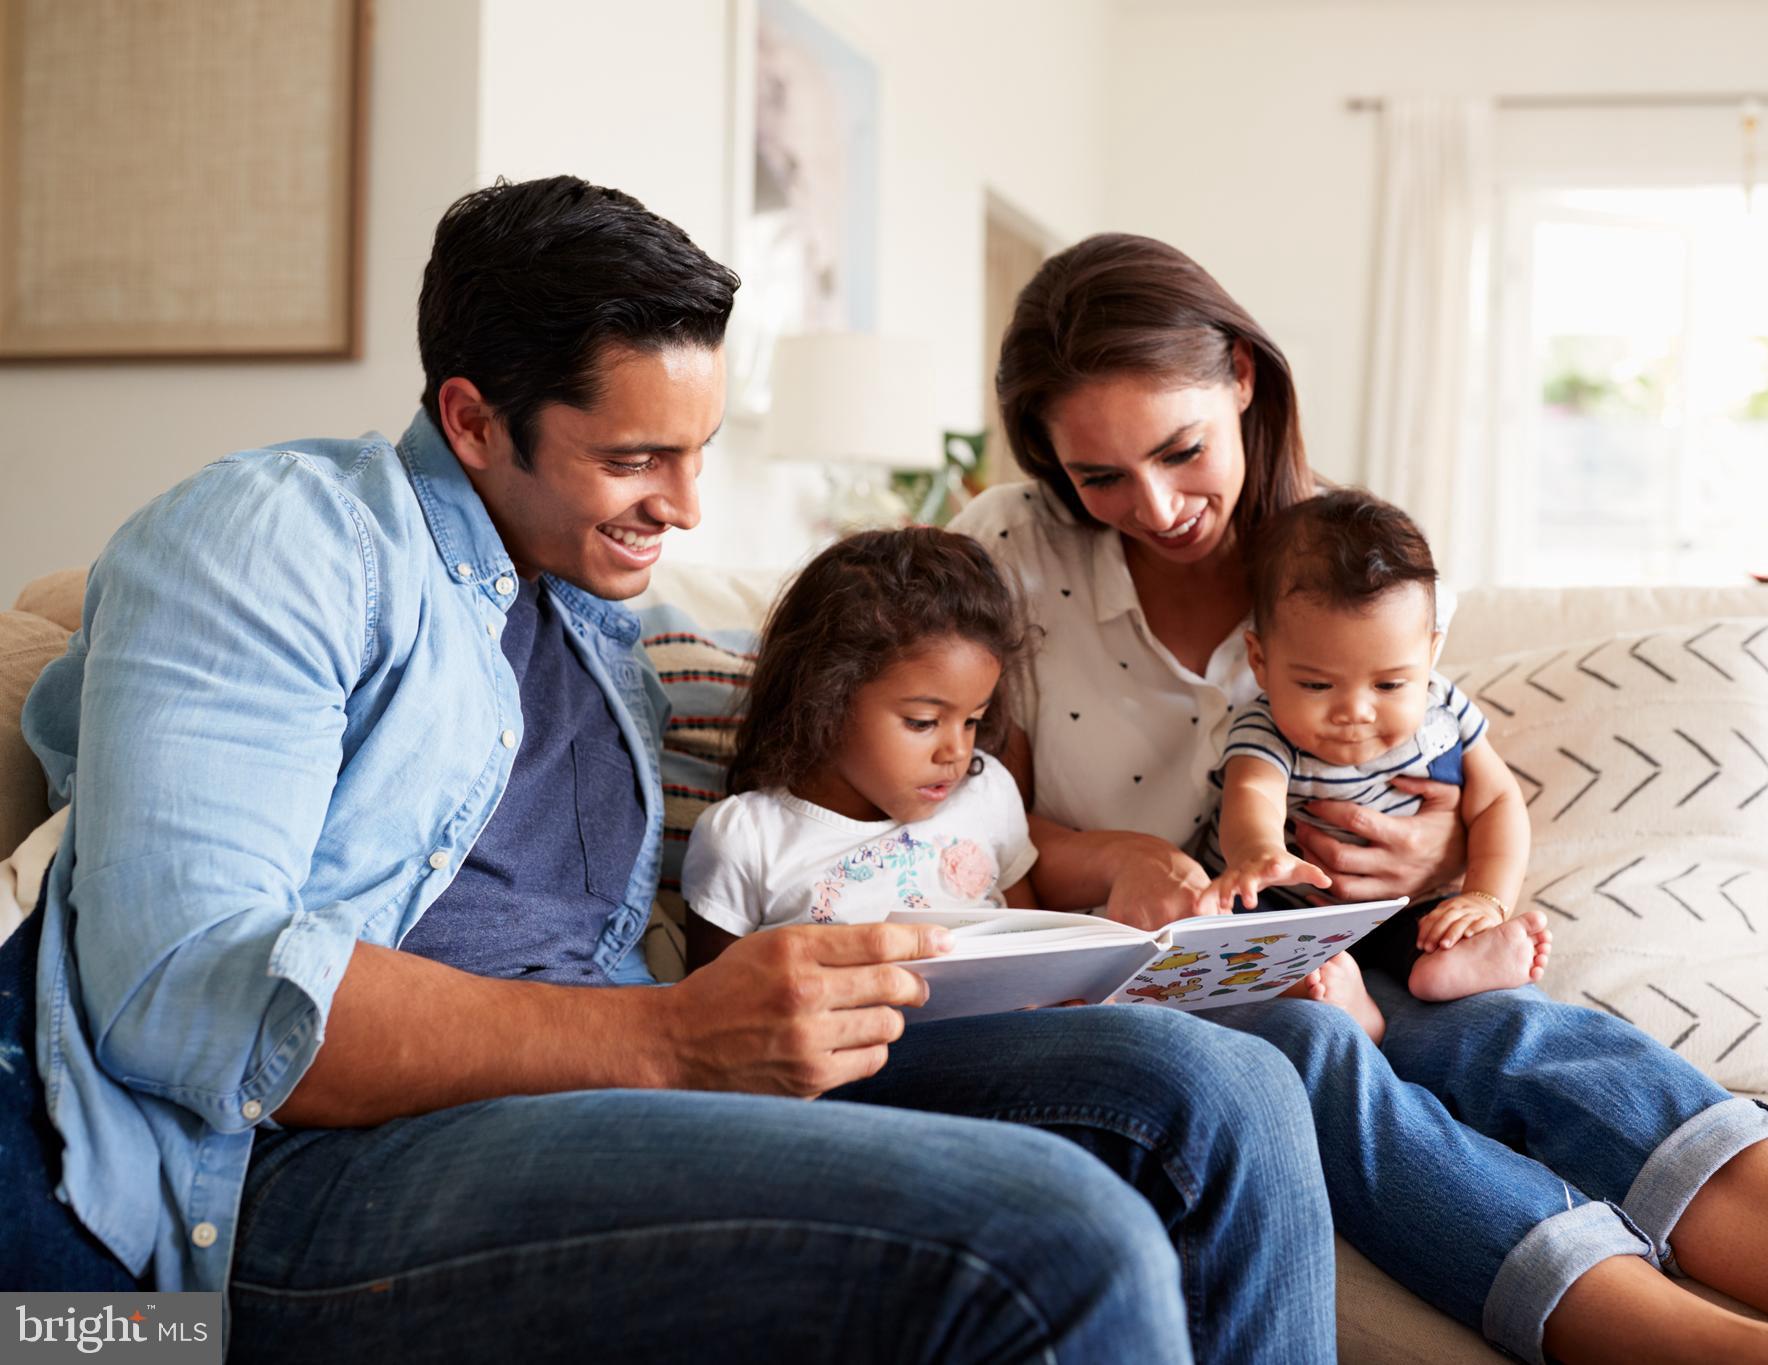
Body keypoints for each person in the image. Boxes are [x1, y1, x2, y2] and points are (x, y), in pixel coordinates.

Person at [13, 179, 1341, 1364]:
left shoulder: (602, 623)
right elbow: (183, 985)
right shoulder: (277, 539)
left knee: (1222, 1091)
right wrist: (666, 1036)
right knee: (1057, 1239)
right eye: (638, 457)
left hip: (616, 1088)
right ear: (474, 422)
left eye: (699, 450)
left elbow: (845, 720)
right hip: (324, 1170)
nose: (688, 505)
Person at [951, 229, 1768, 1365]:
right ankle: (1710, 1349)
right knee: (1305, 1049)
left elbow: (1437, 781)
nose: (1159, 505)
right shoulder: (1008, 555)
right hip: (1141, 969)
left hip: (1351, 934)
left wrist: (1427, 866)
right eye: (1098, 477)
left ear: (1240, 377)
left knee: (1524, 1035)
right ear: (1047, 466)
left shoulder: (1360, 567)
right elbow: (973, 817)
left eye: (1180, 451)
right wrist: (1115, 859)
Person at [1198, 489, 1550, 1042]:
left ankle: (1457, 964)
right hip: (1288, 908)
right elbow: (1253, 793)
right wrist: (1259, 853)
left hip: (1397, 909)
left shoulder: (1443, 709)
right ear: (1260, 661)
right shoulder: (1266, 727)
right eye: (1316, 684)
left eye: (1389, 684)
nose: (1354, 712)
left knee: (1436, 928)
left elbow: (1498, 802)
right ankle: (1341, 997)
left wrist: (1485, 897)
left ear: (1431, 655)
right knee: (1234, 941)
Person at [681, 527, 1040, 958]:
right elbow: (711, 1004)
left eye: (973, 721)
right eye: (923, 722)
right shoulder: (747, 838)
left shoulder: (986, 792)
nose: (957, 752)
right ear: (824, 699)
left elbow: (1039, 943)